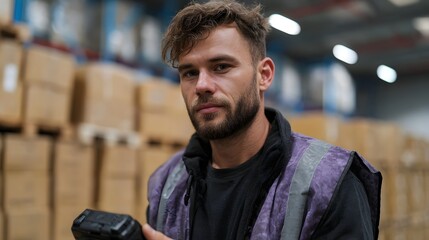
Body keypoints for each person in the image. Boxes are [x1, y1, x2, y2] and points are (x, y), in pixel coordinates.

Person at [142, 1, 382, 239]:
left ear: (264, 76)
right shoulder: (166, 185)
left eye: (221, 67)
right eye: (190, 73)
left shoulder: (328, 185)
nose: (202, 85)